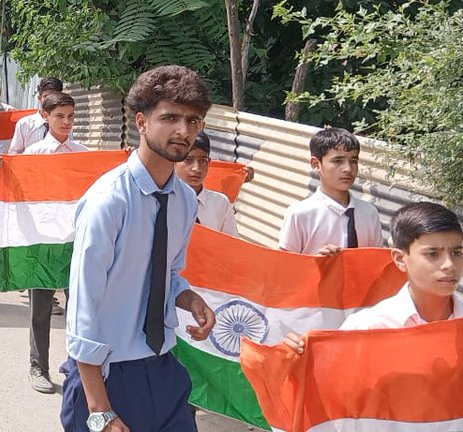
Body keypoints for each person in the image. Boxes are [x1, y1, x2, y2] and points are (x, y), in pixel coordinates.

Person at [62, 65, 217, 432]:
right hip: (108, 374)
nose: (184, 131)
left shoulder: (183, 201)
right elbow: (83, 306)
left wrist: (189, 298)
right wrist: (99, 409)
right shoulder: (108, 201)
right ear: (142, 122)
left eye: (193, 121)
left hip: (163, 368)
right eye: (170, 118)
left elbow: (168, 272)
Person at [0, 92, 89, 392]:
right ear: (45, 116)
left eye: (71, 116)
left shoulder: (83, 155)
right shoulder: (32, 155)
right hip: (42, 242)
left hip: (74, 242)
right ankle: (38, 367)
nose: (66, 122)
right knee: (40, 309)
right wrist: (3, 168)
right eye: (60, 116)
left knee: (80, 310)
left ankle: (77, 367)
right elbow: (16, 192)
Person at [284, 201, 463, 356]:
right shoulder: (369, 328)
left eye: (457, 253)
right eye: (432, 254)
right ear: (400, 259)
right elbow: (329, 374)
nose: (449, 265)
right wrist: (299, 359)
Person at [278, 127, 383, 255]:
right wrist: (316, 262)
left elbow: (377, 261)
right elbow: (284, 265)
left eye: (353, 161)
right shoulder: (300, 214)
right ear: (316, 164)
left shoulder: (369, 213)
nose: (348, 169)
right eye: (338, 161)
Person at [176, 131, 240, 237]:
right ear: (174, 162)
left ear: (209, 162)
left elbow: (231, 242)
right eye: (188, 160)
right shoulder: (163, 200)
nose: (196, 168)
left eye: (202, 161)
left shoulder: (220, 203)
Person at [9, 77, 64, 154]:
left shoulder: (65, 124)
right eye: (46, 97)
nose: (50, 101)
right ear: (39, 98)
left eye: (54, 97)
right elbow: (14, 154)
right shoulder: (24, 124)